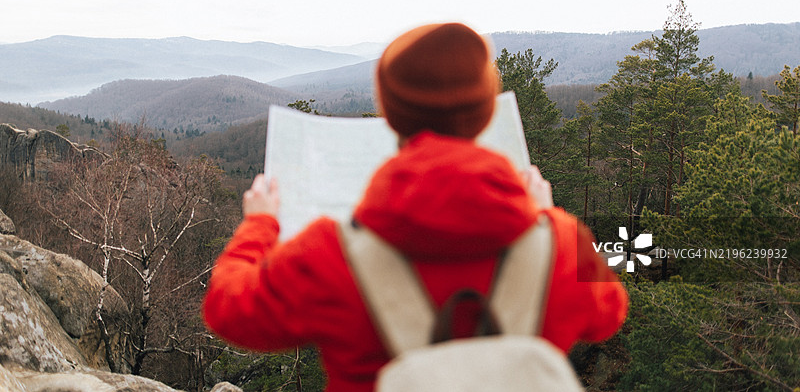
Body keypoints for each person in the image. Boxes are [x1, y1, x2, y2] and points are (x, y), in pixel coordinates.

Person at [203, 22, 628, 391]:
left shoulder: (331, 253)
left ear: (391, 115)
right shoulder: (558, 243)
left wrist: (259, 224)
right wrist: (546, 219)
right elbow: (608, 313)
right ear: (483, 112)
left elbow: (228, 310)